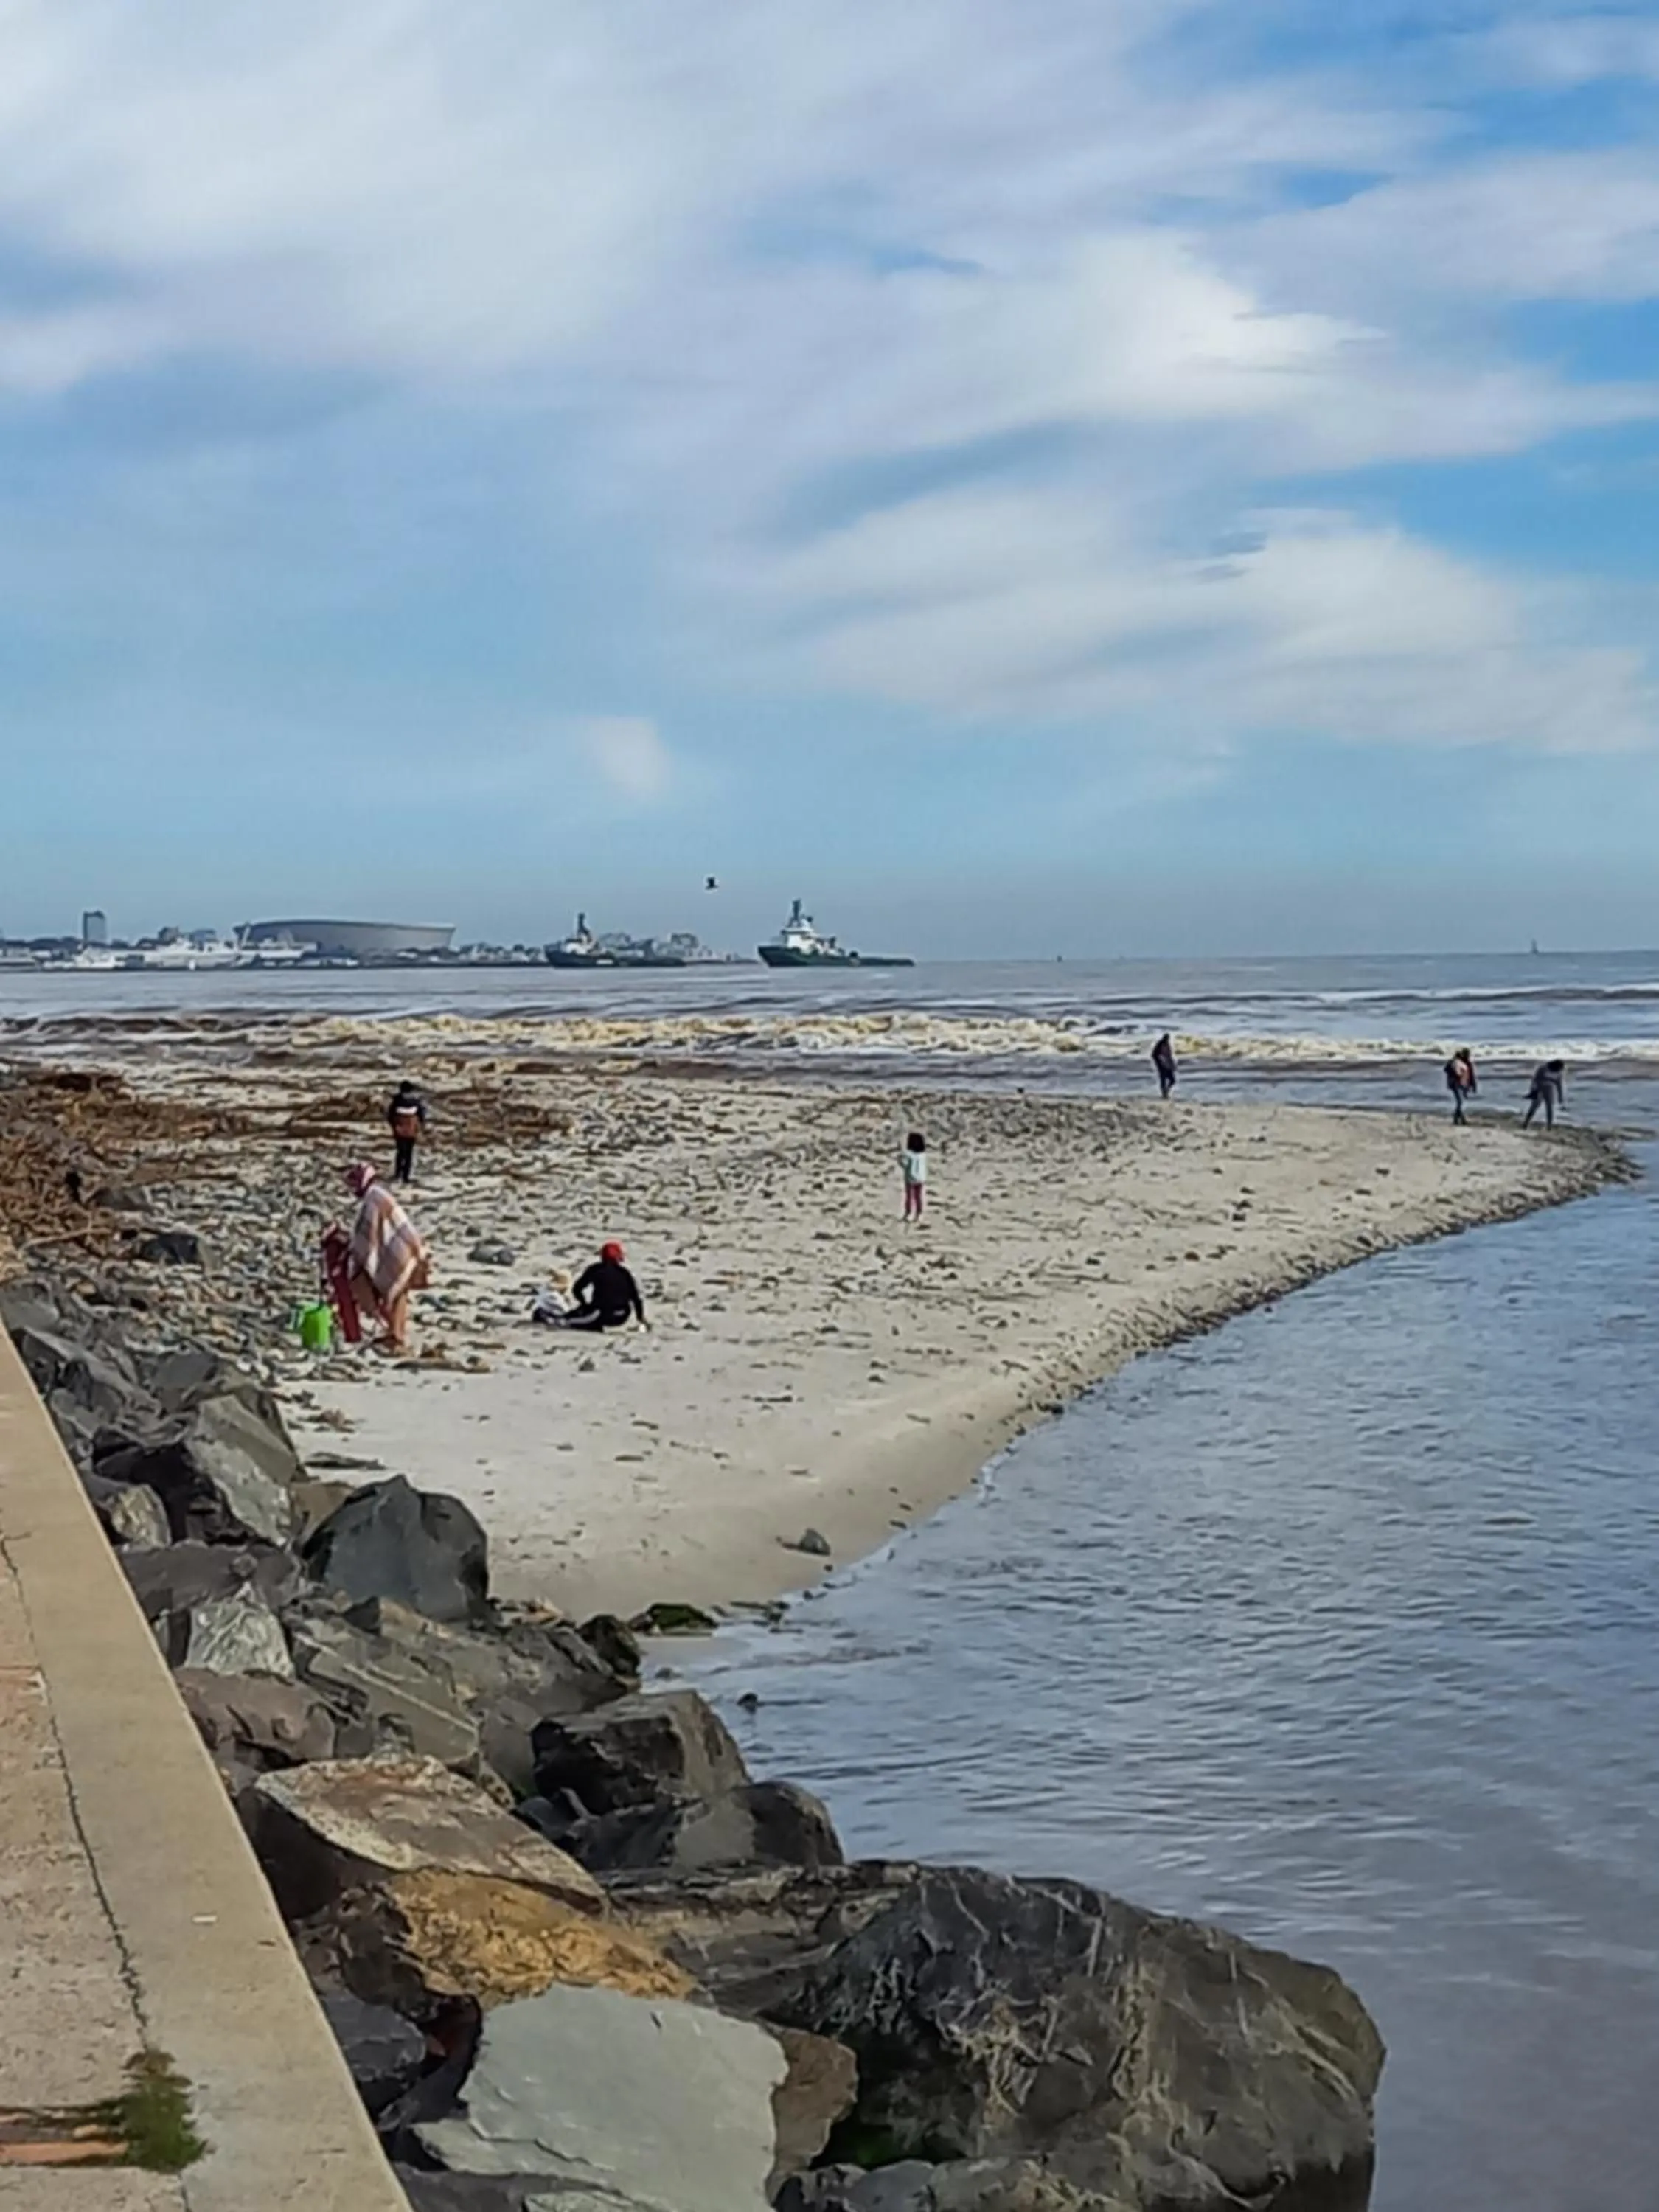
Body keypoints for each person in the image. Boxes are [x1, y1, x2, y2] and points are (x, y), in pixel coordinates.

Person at [340, 1161, 430, 1352]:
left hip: (402, 1250)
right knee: (399, 1292)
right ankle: (395, 1333)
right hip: (408, 1248)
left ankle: (394, 1333)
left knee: (393, 1289)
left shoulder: (373, 1198)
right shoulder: (378, 1194)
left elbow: (369, 1235)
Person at [559, 1241, 647, 1332]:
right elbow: (636, 1298)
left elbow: (577, 1289)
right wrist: (640, 1318)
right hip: (623, 1314)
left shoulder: (595, 1269)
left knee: (568, 1322)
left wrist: (584, 1304)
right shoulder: (625, 1273)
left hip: (602, 1312)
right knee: (592, 1317)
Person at [386, 1079, 428, 1186]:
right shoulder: (416, 1102)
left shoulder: (396, 1101)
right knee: (409, 1154)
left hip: (400, 1131)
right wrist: (420, 1128)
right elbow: (421, 1116)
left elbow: (390, 1116)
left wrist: (394, 1127)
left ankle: (398, 1175)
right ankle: (406, 1177)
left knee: (401, 1153)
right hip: (411, 1131)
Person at [1524, 1059, 1565, 1129]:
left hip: (1550, 1089)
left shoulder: (1559, 1073)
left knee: (1549, 1108)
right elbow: (1535, 1079)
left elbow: (1559, 1085)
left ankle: (1549, 1126)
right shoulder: (1543, 1068)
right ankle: (1526, 1123)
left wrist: (1560, 1096)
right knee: (1534, 1106)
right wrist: (1533, 1090)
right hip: (1539, 1088)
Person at [1444, 1047, 1477, 1125]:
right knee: (1460, 1102)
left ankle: (1459, 1119)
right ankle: (1458, 1119)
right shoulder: (1457, 1062)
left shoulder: (1467, 1063)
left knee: (1461, 1102)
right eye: (1467, 1054)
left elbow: (1471, 1076)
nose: (1468, 1056)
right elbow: (1447, 1069)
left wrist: (1473, 1085)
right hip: (1456, 1084)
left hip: (1462, 1084)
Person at [901, 1130, 927, 1221]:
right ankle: (919, 1213)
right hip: (921, 1178)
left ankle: (909, 1212)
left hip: (910, 1179)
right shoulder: (923, 1155)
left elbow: (905, 1164)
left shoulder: (909, 1154)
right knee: (919, 1197)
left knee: (910, 1197)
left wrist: (899, 1160)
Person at [1152, 1033, 1177, 1100]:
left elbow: (1169, 1055)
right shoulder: (1160, 1044)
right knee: (1163, 1079)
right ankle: (1164, 1093)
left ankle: (1167, 1091)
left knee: (1172, 1080)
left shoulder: (1168, 1045)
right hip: (1161, 1065)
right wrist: (1159, 1062)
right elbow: (1154, 1055)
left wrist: (1172, 1064)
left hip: (1168, 1064)